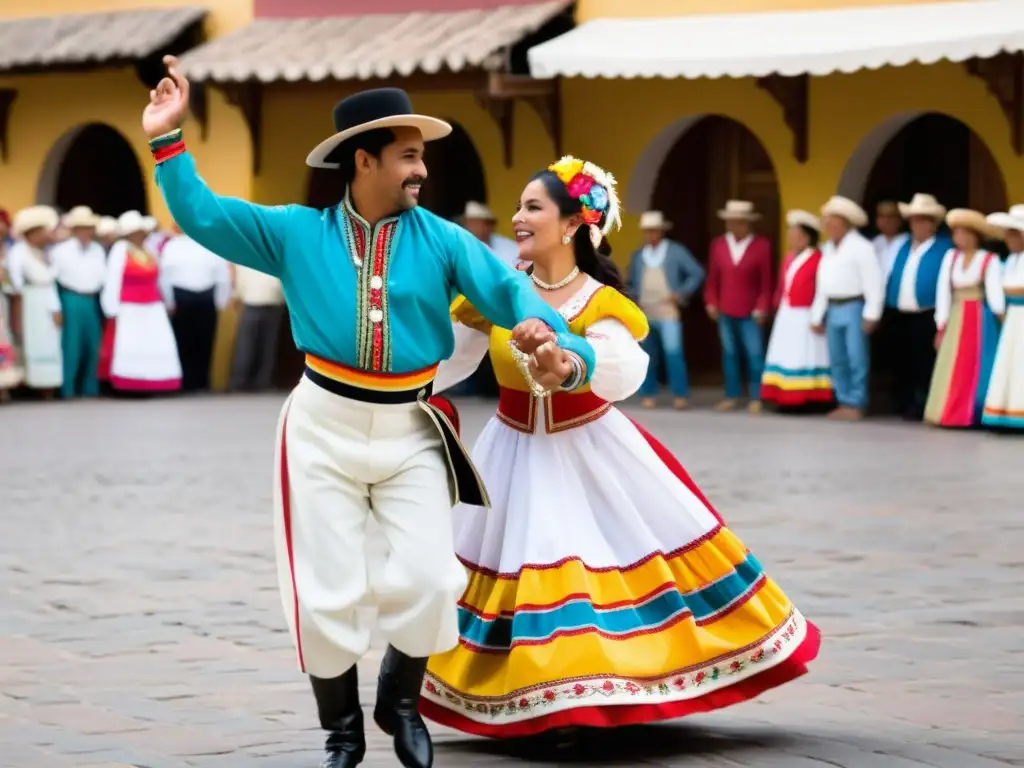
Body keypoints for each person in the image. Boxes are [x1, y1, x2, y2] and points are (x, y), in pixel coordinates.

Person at [143, 56, 596, 768]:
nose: (421, 170)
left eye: (421, 157)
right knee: (327, 590)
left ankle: (400, 698)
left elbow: (515, 299)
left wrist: (559, 345)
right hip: (321, 428)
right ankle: (342, 732)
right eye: (408, 156)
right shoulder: (296, 232)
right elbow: (203, 214)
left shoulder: (443, 238)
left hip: (414, 429)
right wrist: (168, 138)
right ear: (364, 160)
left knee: (428, 578)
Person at [421, 156, 820, 738]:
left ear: (574, 224)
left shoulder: (599, 302)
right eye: (519, 207)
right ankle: (537, 695)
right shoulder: (498, 294)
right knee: (513, 565)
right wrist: (383, 386)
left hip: (587, 453)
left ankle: (581, 694)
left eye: (533, 208)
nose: (518, 218)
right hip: (509, 454)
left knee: (572, 562)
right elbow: (443, 360)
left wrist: (568, 360)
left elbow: (623, 366)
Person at [924, 209, 1004, 428]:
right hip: (957, 314)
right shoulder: (951, 258)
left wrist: (1002, 319)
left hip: (979, 318)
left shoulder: (988, 259)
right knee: (952, 365)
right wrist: (941, 323)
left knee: (974, 364)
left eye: (964, 233)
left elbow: (995, 294)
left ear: (974, 236)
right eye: (956, 233)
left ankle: (971, 413)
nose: (959, 238)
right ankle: (949, 412)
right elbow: (943, 292)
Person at [810, 196, 884, 421]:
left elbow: (874, 282)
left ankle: (857, 401)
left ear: (844, 222)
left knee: (856, 356)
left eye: (831, 221)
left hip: (854, 306)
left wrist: (872, 313)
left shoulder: (862, 247)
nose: (827, 225)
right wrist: (817, 314)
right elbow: (822, 285)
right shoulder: (828, 249)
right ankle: (843, 399)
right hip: (833, 307)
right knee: (837, 357)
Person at [98, 211, 182, 394]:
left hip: (153, 306)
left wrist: (168, 301)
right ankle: (130, 383)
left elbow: (161, 279)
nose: (141, 235)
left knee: (154, 344)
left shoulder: (149, 250)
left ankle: (154, 381)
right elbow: (113, 279)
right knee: (131, 344)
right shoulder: (121, 249)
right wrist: (111, 308)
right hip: (129, 306)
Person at [628, 210, 704, 410]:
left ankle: (680, 394)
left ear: (661, 232)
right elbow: (630, 283)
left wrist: (680, 294)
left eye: (654, 231)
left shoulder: (675, 251)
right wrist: (635, 298)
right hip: (646, 311)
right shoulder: (638, 255)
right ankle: (648, 393)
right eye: (647, 231)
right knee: (647, 354)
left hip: (668, 310)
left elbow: (696, 273)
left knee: (673, 352)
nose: (650, 235)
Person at [885, 194, 952, 421]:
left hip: (927, 313)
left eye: (924, 220)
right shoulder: (903, 245)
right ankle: (902, 401)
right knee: (900, 360)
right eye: (914, 220)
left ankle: (922, 403)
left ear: (933, 223)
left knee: (924, 362)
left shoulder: (944, 247)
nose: (918, 224)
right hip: (900, 312)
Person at [704, 200, 773, 413]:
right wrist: (711, 302)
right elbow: (713, 279)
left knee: (754, 355)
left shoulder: (761, 246)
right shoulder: (719, 245)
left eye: (737, 222)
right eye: (730, 222)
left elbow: (767, 282)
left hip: (751, 312)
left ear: (747, 223)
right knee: (730, 354)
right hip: (725, 310)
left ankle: (757, 396)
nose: (732, 226)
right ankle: (732, 395)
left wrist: (763, 307)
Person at [761, 210, 832, 409]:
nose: (793, 238)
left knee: (806, 355)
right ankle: (784, 396)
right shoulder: (789, 258)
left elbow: (821, 289)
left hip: (806, 314)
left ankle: (807, 398)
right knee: (787, 355)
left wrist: (818, 316)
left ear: (807, 237)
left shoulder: (818, 258)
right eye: (791, 234)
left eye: (797, 234)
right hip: (788, 314)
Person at [160, 231, 232, 392]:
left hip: (206, 296)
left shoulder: (212, 242)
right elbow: (164, 276)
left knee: (205, 340)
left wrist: (221, 301)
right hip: (181, 296)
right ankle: (182, 382)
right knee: (181, 340)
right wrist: (169, 301)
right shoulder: (172, 246)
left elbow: (223, 275)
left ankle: (201, 381)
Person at [50, 206, 107, 399]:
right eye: (81, 227)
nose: (85, 232)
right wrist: (56, 306)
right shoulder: (61, 251)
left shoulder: (97, 250)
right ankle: (68, 388)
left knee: (93, 344)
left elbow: (102, 276)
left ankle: (90, 387)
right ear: (74, 230)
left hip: (91, 299)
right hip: (70, 297)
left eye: (88, 227)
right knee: (71, 345)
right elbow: (53, 279)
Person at [6, 206, 62, 398]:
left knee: (49, 342)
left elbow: (50, 283)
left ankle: (48, 386)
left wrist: (56, 308)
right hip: (30, 302)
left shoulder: (47, 253)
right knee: (30, 341)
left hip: (46, 300)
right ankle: (29, 385)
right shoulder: (18, 253)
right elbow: (16, 286)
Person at [982, 205, 1024, 430]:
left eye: (1012, 234)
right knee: (1010, 363)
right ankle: (1007, 411)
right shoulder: (1011, 261)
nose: (1007, 239)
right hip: (1013, 319)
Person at [228, 264, 287, 392]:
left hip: (251, 303)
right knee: (267, 345)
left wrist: (238, 297)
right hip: (272, 303)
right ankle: (262, 381)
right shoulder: (273, 257)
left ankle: (240, 381)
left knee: (245, 345)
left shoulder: (245, 259)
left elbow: (239, 282)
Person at [459, 201, 519, 268]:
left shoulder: (509, 248)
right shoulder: (460, 250)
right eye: (472, 224)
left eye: (484, 224)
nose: (480, 229)